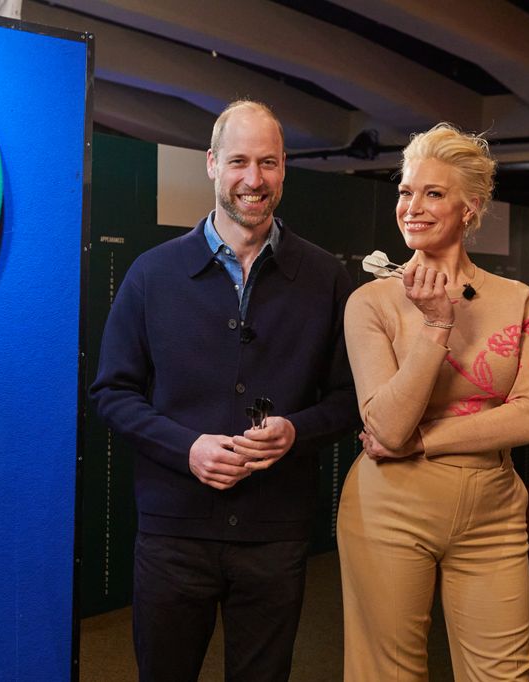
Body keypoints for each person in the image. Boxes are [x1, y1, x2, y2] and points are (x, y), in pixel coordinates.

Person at [90, 100, 359, 682]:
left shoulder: (326, 278)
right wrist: (186, 448)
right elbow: (112, 393)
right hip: (173, 534)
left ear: (285, 168)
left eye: (268, 162)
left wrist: (297, 432)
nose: (253, 180)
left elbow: (349, 399)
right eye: (239, 161)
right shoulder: (151, 274)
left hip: (275, 536)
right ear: (212, 164)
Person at [337, 123, 529, 681]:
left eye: (433, 193)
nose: (413, 206)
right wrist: (436, 323)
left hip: (493, 511)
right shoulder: (371, 302)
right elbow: (385, 426)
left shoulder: (517, 299)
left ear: (470, 209)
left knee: (503, 675)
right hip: (388, 506)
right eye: (407, 191)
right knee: (387, 674)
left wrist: (423, 441)